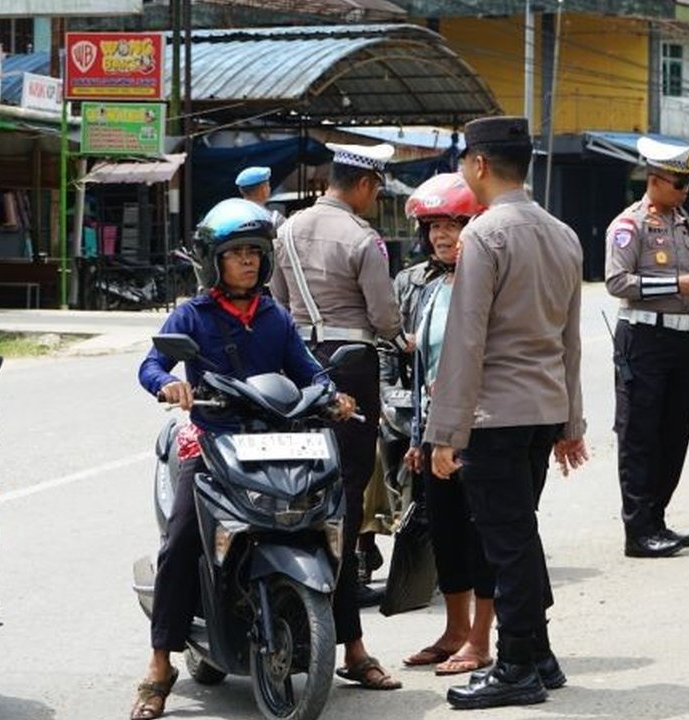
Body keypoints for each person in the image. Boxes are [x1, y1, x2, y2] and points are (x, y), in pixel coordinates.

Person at [132, 198, 362, 720]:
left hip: (281, 438)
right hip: (216, 441)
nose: (248, 262)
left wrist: (332, 393)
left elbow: (309, 369)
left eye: (254, 253)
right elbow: (151, 363)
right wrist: (167, 384)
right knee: (183, 537)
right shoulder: (192, 314)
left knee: (332, 524)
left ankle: (355, 648)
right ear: (213, 261)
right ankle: (159, 662)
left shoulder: (273, 315)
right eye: (236, 253)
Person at [425, 116, 588, 710]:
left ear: (480, 166)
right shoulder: (563, 234)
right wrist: (572, 423)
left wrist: (445, 432)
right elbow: (569, 339)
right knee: (521, 534)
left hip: (495, 414)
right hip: (543, 409)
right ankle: (538, 654)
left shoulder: (485, 235)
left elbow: (465, 342)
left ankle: (517, 663)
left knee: (507, 541)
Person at [270, 141, 409, 691]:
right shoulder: (363, 239)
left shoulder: (285, 231)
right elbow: (383, 315)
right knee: (344, 504)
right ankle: (349, 643)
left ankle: (306, 621)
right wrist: (403, 338)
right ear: (366, 185)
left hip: (296, 372)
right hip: (350, 373)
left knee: (296, 495)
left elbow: (278, 306)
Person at [390, 173, 496, 676]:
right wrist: (419, 436)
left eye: (454, 225)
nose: (441, 236)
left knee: (481, 535)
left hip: (477, 429)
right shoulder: (433, 289)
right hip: (435, 432)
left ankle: (480, 638)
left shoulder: (489, 288)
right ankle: (454, 630)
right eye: (434, 227)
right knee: (447, 533)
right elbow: (421, 371)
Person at [605, 136, 689, 558]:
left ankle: (657, 519)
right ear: (654, 180)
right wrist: (675, 284)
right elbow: (617, 282)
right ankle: (638, 531)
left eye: (688, 183)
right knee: (640, 435)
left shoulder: (686, 227)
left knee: (674, 433)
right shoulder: (630, 225)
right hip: (644, 337)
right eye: (678, 182)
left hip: (682, 336)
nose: (685, 190)